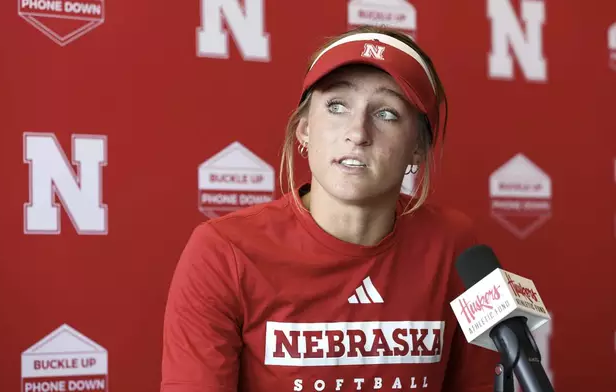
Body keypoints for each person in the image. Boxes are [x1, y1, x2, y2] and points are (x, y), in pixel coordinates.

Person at [161, 25, 500, 392]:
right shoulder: (223, 253)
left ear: (418, 147)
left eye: (387, 113)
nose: (358, 133)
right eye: (337, 106)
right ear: (304, 130)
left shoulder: (457, 248)